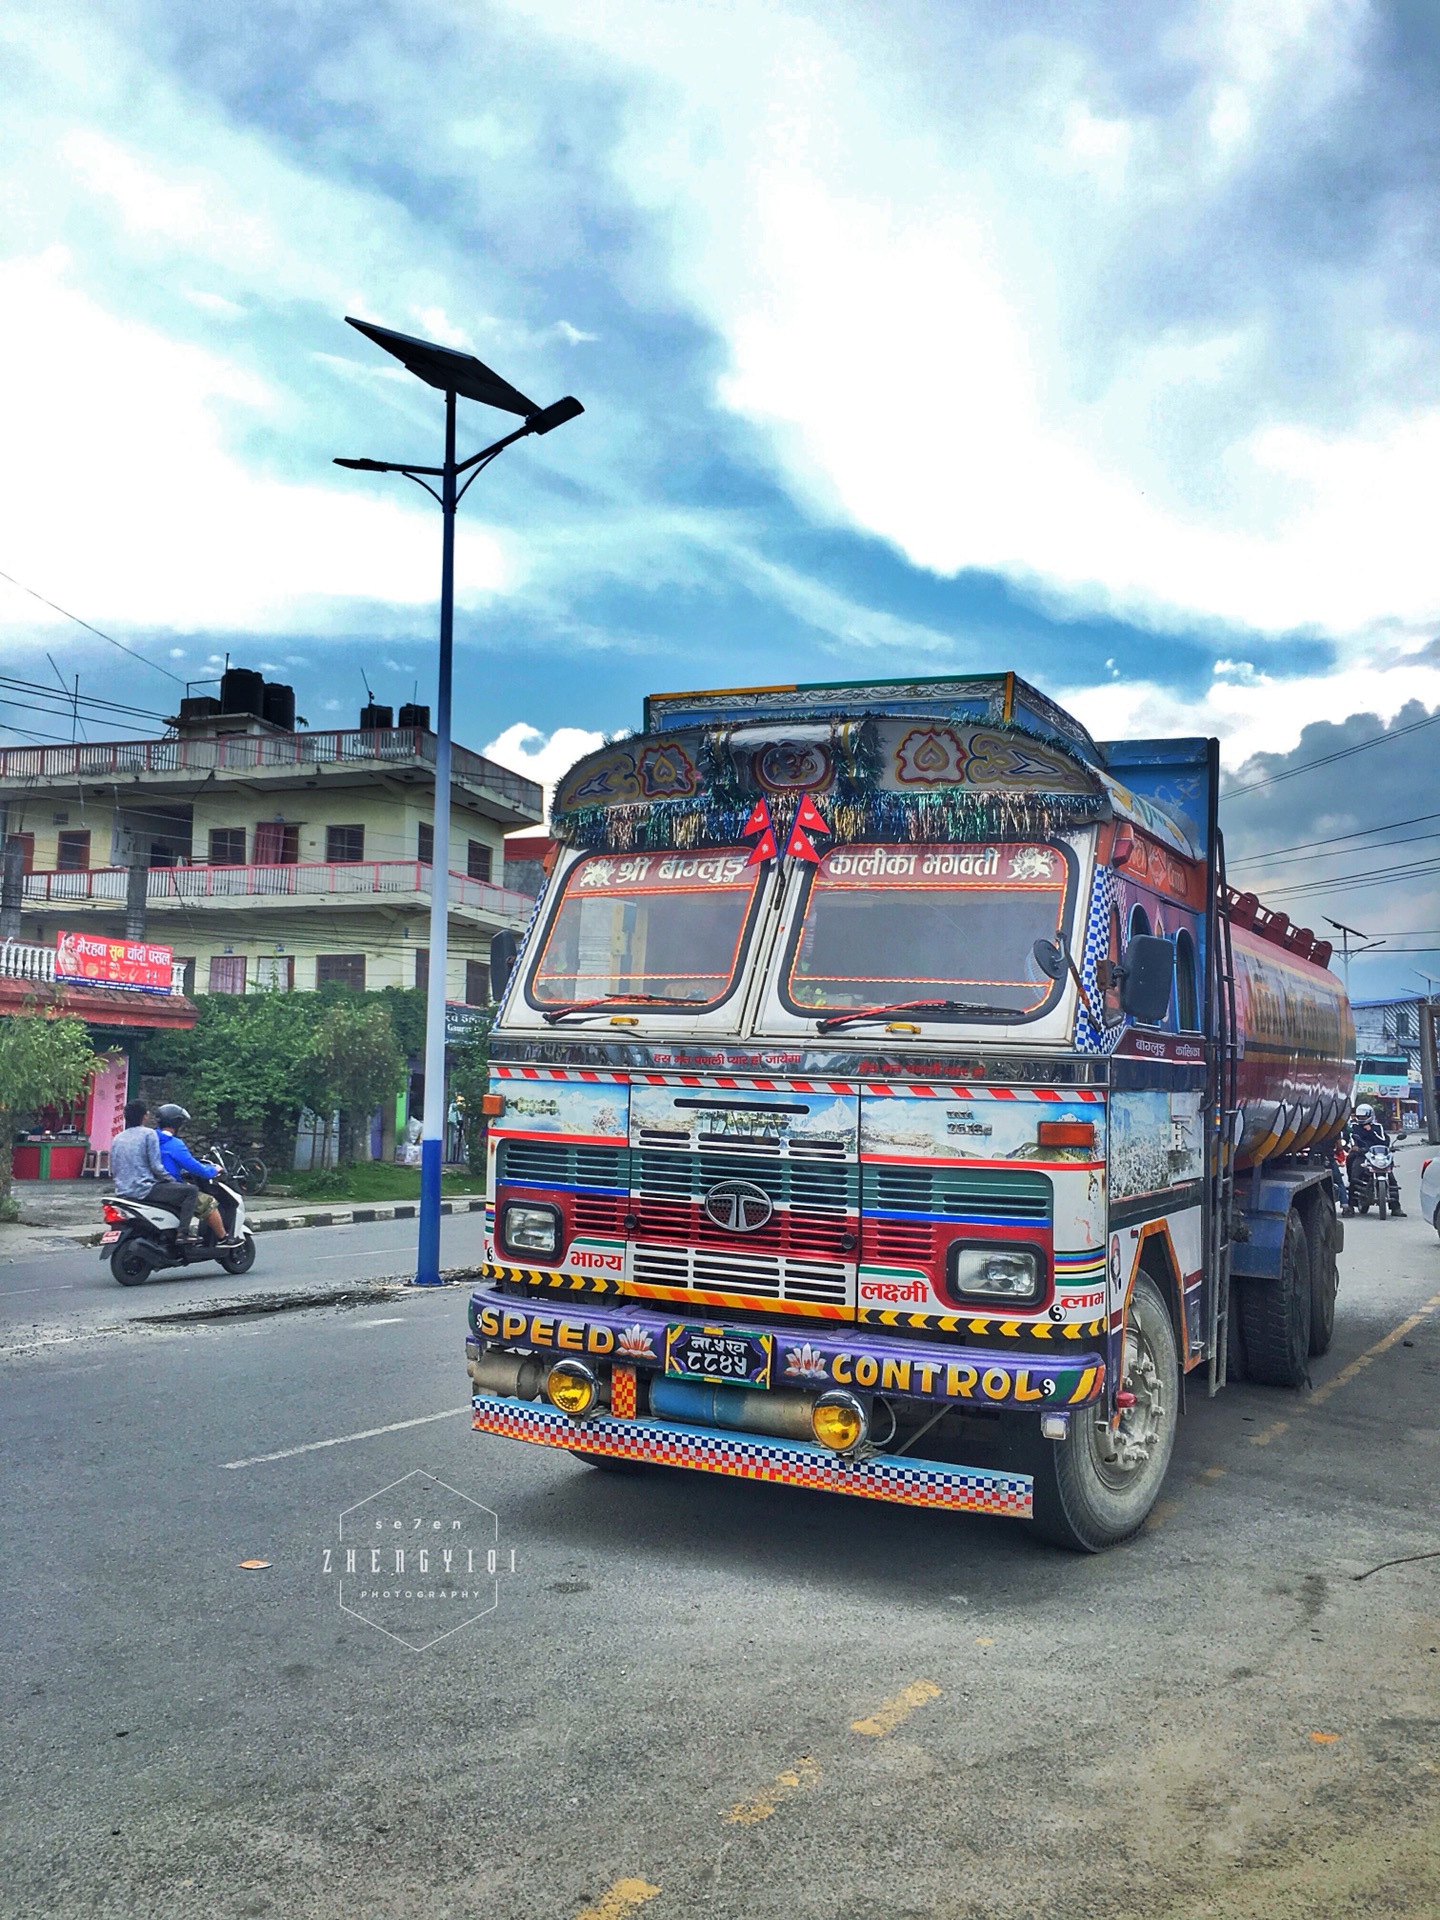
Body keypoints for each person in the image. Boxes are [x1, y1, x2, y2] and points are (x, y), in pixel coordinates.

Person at [109, 1099, 201, 1237]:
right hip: (144, 1190)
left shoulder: (118, 1138)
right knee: (191, 1191)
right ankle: (183, 1233)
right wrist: (171, 1180)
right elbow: (156, 1167)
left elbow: (113, 1169)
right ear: (145, 1116)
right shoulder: (149, 1134)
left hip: (122, 1191)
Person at [153, 1104, 239, 1244]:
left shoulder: (151, 1138)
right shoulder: (174, 1144)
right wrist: (213, 1170)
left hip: (151, 1186)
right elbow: (195, 1168)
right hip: (170, 1187)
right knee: (207, 1202)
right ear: (177, 1123)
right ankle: (223, 1238)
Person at [1348, 1102, 1404, 1216]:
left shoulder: (1377, 1127)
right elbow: (1352, 1141)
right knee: (1355, 1175)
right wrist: (1355, 1148)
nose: (1362, 1118)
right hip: (1362, 1155)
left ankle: (1396, 1207)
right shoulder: (1354, 1127)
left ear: (1370, 1115)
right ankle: (1350, 1205)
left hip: (1378, 1155)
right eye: (1360, 1116)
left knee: (1392, 1179)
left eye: (1364, 1116)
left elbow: (1383, 1141)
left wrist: (1370, 1131)